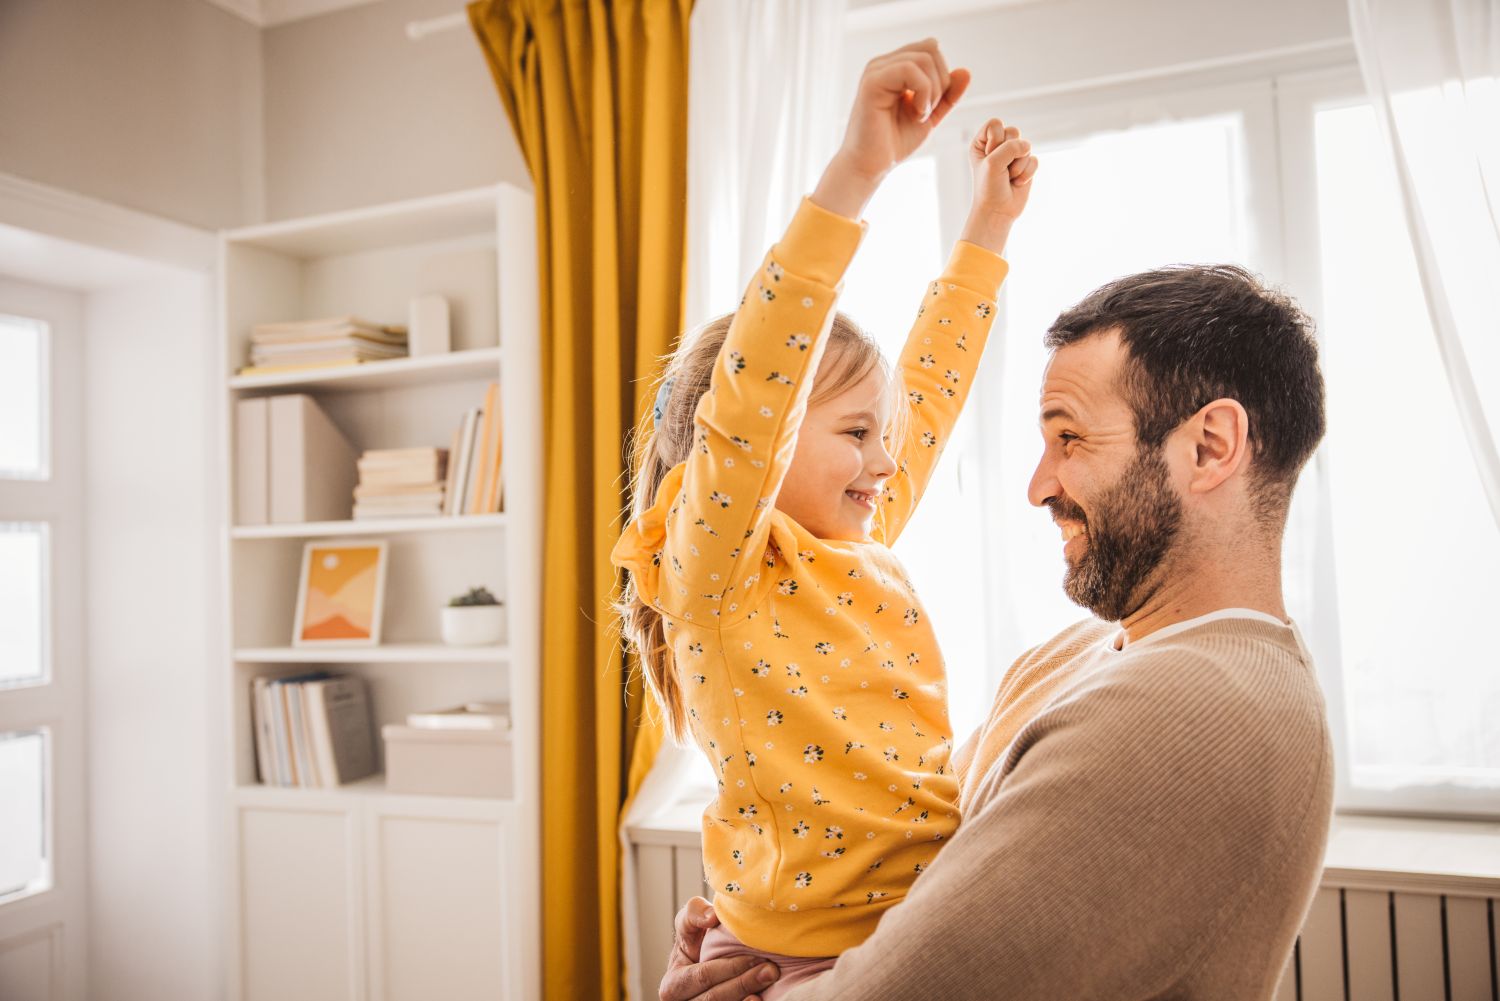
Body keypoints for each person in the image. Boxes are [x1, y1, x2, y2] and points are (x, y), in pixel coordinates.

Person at [658, 265, 1335, 1000]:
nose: (1038, 485)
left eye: (1070, 438)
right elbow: (913, 827)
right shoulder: (1086, 653)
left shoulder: (1192, 712)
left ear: (1210, 446)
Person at [611, 40, 1037, 998]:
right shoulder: (716, 572)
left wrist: (987, 232)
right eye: (855, 431)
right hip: (812, 958)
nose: (888, 457)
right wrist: (858, 172)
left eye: (883, 435)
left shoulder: (854, 538)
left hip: (918, 917)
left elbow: (930, 384)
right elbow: (758, 385)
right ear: (760, 445)